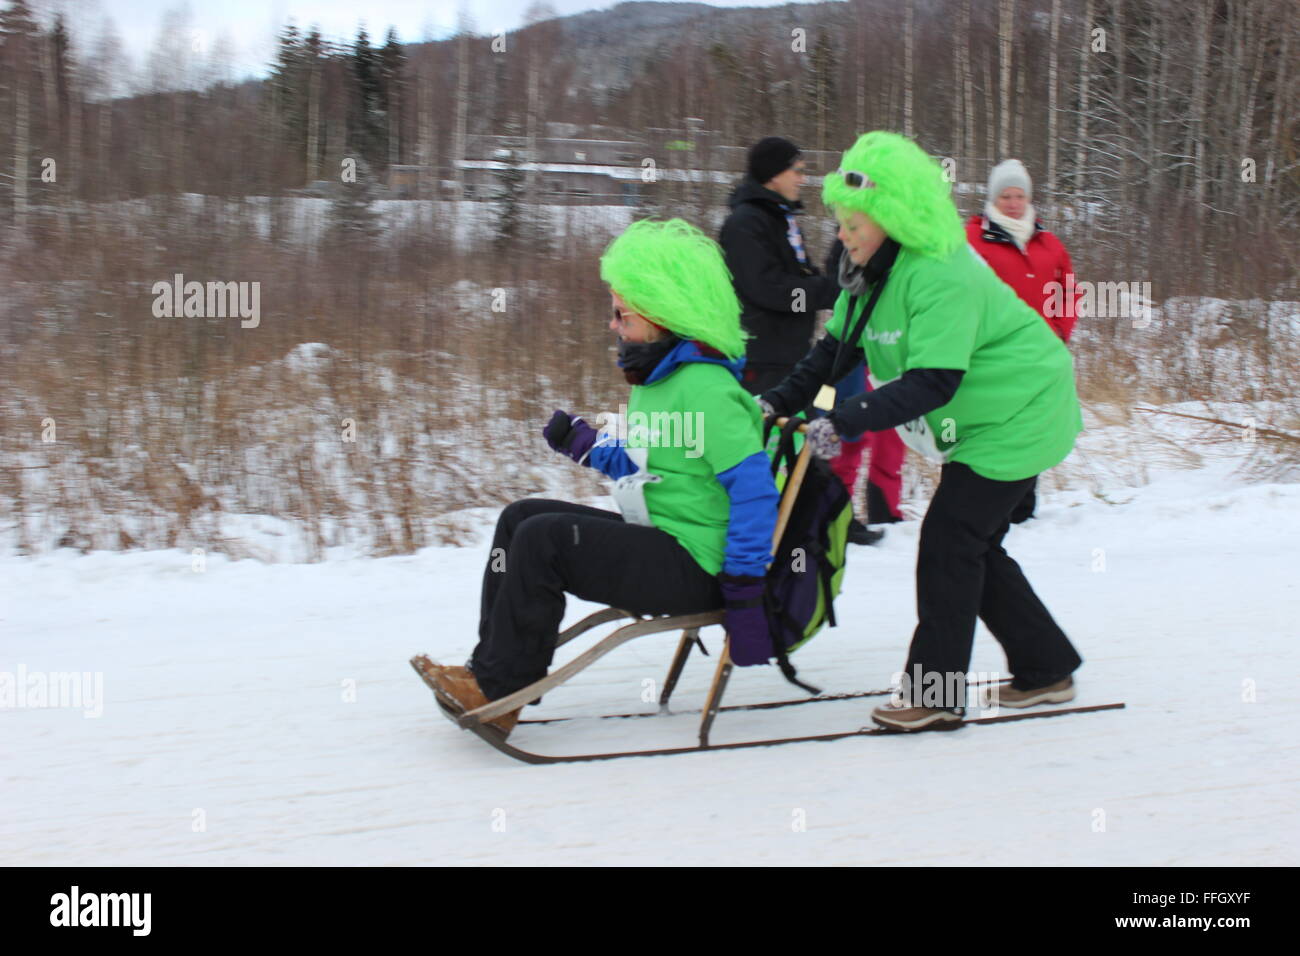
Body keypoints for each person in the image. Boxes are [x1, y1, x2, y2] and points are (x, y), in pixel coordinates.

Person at [759, 132, 1085, 732]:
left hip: (1023, 409)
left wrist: (841, 420)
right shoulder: (868, 274)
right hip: (985, 416)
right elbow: (831, 357)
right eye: (841, 221)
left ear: (895, 218)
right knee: (973, 544)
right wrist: (774, 403)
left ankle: (935, 695)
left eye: (856, 223)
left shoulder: (940, 273)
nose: (845, 234)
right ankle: (1047, 667)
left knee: (949, 542)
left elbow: (934, 382)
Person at [425, 219, 781, 737]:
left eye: (622, 314)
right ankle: (490, 670)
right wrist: (588, 446)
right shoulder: (657, 379)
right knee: (520, 516)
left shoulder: (705, 389)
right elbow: (649, 463)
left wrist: (745, 591)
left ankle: (500, 690)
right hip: (659, 533)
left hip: (698, 564)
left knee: (543, 540)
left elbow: (753, 493)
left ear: (662, 316)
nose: (613, 324)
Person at [967, 159, 1082, 523]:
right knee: (991, 425)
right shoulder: (972, 240)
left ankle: (1022, 506)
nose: (1013, 202)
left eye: (1019, 195)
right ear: (993, 198)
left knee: (1029, 426)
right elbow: (959, 291)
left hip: (1038, 354)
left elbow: (1068, 291)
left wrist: (1060, 330)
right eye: (1006, 196)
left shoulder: (1048, 243)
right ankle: (983, 501)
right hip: (990, 354)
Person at [718, 136, 840, 396]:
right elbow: (770, 290)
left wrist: (830, 287)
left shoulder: (780, 218)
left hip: (790, 352)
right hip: (763, 359)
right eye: (796, 171)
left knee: (820, 411)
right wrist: (823, 293)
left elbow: (797, 275)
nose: (802, 179)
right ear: (773, 174)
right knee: (779, 429)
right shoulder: (745, 223)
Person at [822, 238, 907, 546]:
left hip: (888, 357)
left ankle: (882, 511)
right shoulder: (850, 240)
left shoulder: (908, 249)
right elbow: (836, 286)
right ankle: (835, 514)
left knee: (891, 436)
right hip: (850, 355)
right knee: (849, 437)